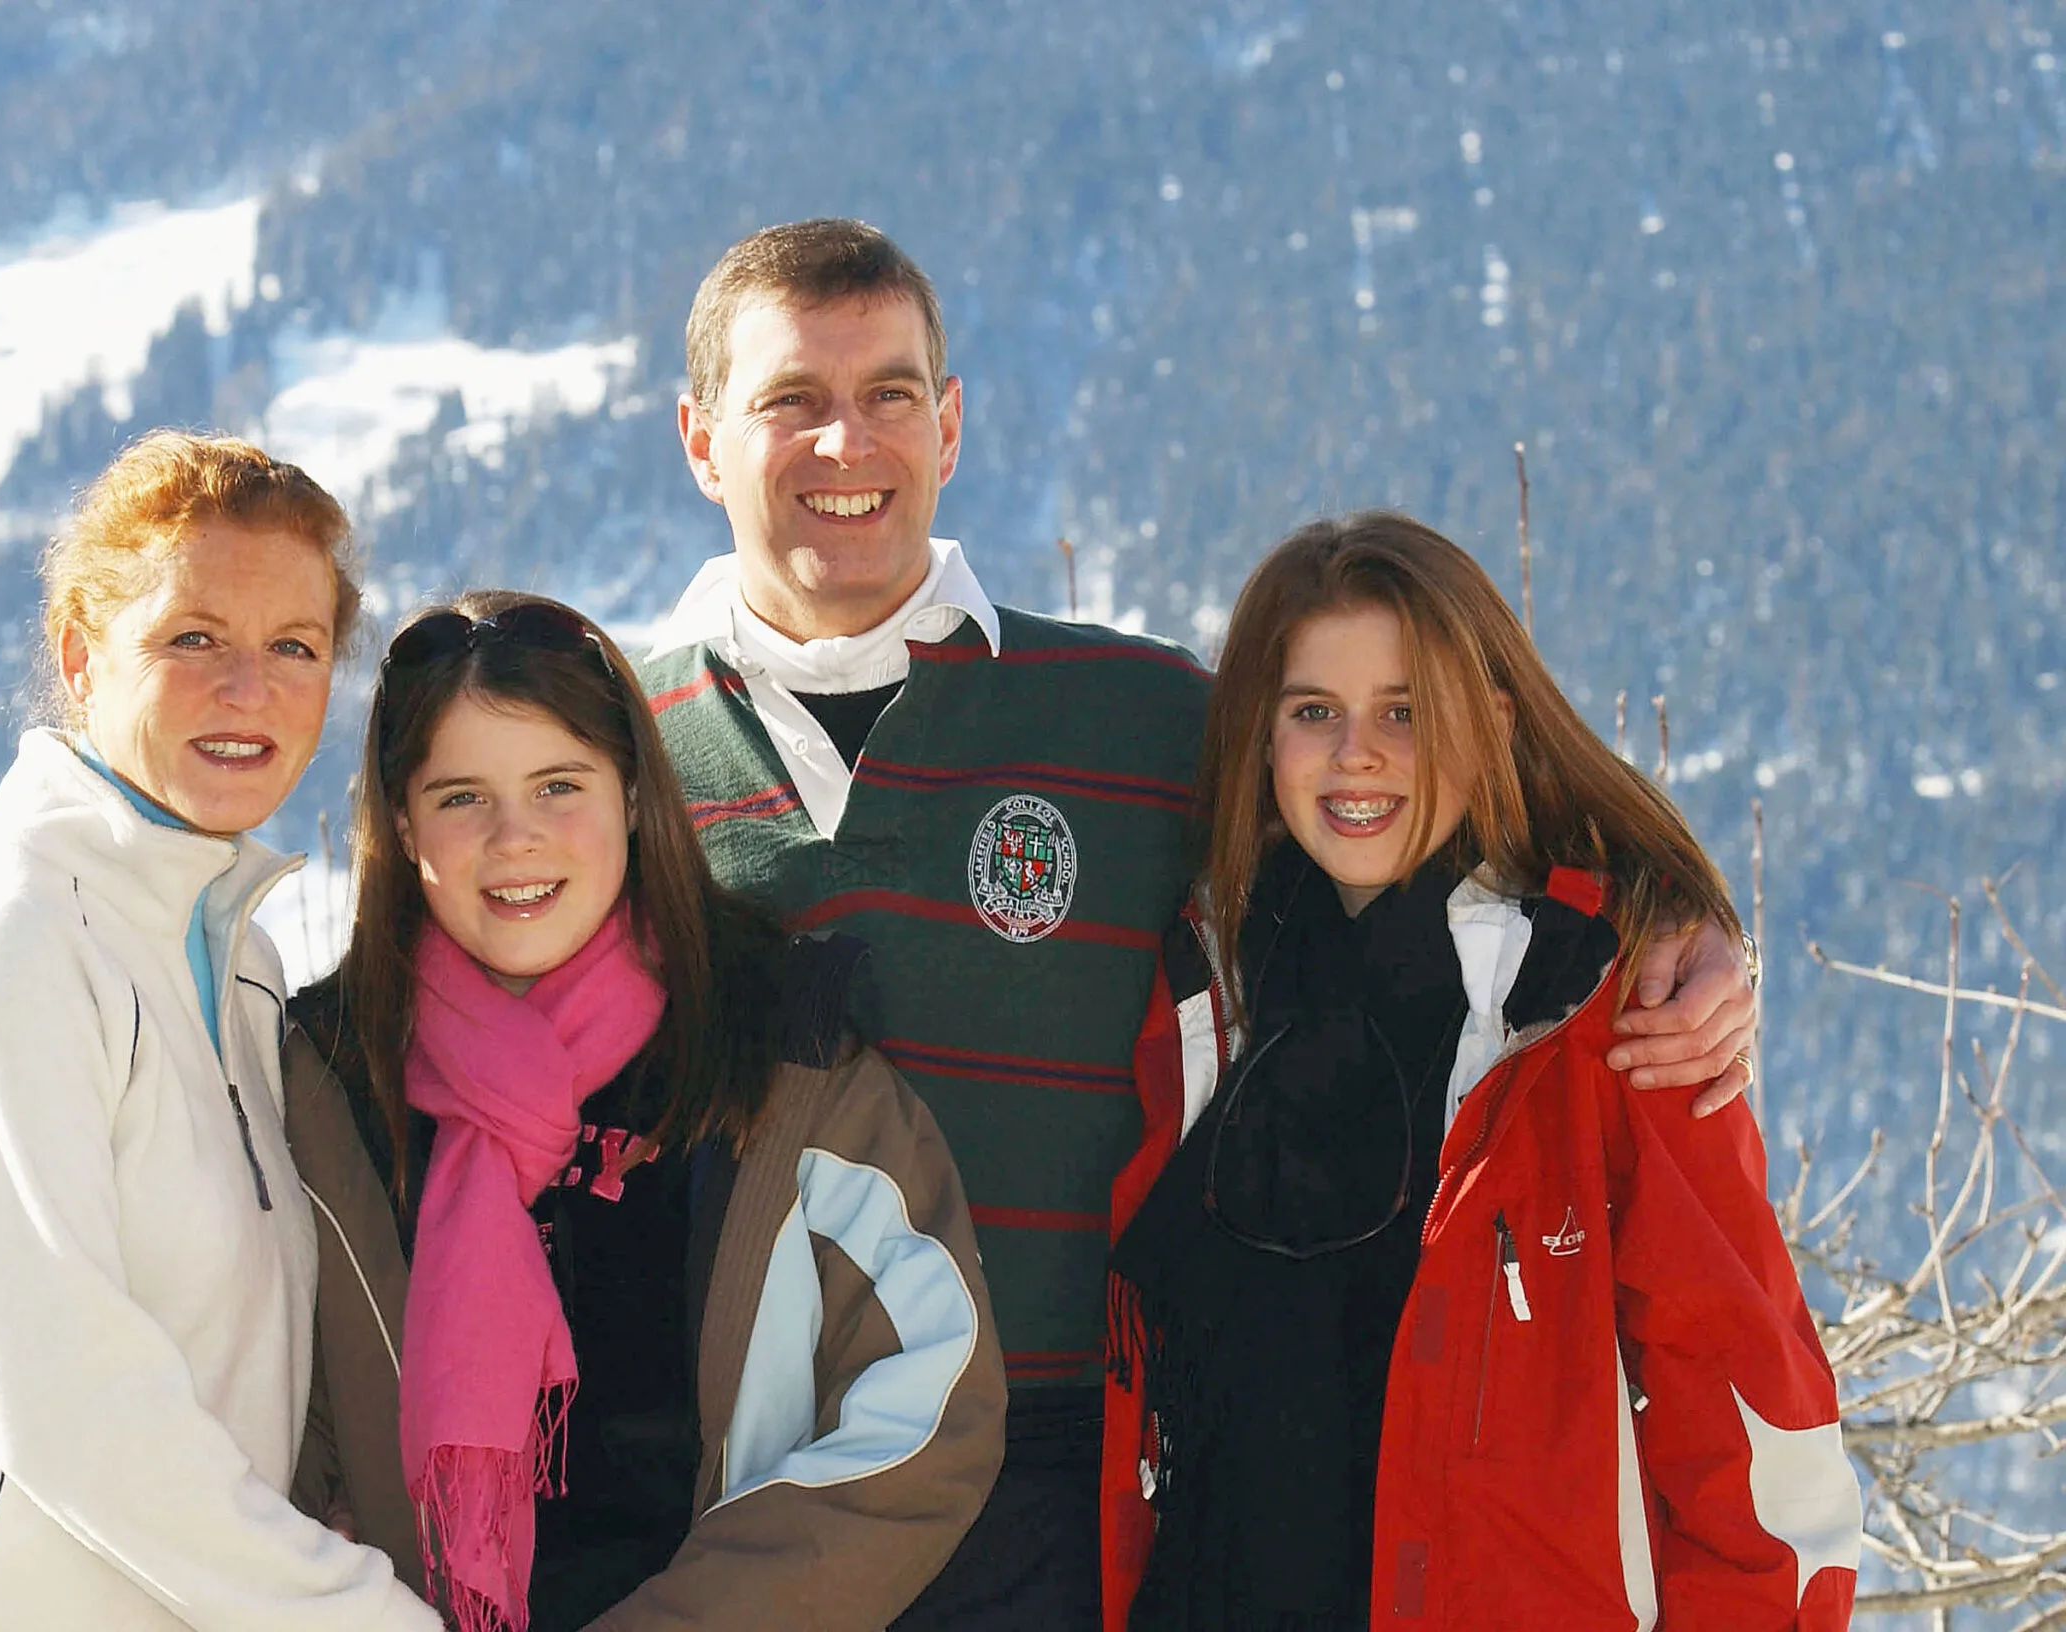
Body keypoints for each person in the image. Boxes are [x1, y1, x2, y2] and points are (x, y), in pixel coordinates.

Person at [638, 217, 1766, 1630]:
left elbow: (1423, 812)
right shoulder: (602, 747)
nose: (847, 445)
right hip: (729, 1477)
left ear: (952, 425)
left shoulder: (1141, 716)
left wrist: (1683, 919)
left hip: (1057, 1479)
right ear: (698, 439)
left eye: (890, 396)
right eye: (791, 401)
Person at [1106, 512, 1859, 1630]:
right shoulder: (1200, 996)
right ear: (1260, 738)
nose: (1356, 753)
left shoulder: (1604, 1015)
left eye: (1405, 713)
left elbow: (1757, 1439)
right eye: (1314, 711)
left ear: (1491, 724)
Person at [0, 433, 437, 1631]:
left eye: (295, 647)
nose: (251, 690)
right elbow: (69, 1401)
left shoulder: (240, 961)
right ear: (81, 655)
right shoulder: (8, 935)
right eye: (194, 639)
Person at [281, 590, 1006, 1632]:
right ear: (400, 822)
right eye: (460, 797)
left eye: (557, 784)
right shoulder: (326, 1083)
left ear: (630, 793)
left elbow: (928, 1405)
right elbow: (260, 1423)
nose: (515, 838)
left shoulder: (777, 1049)